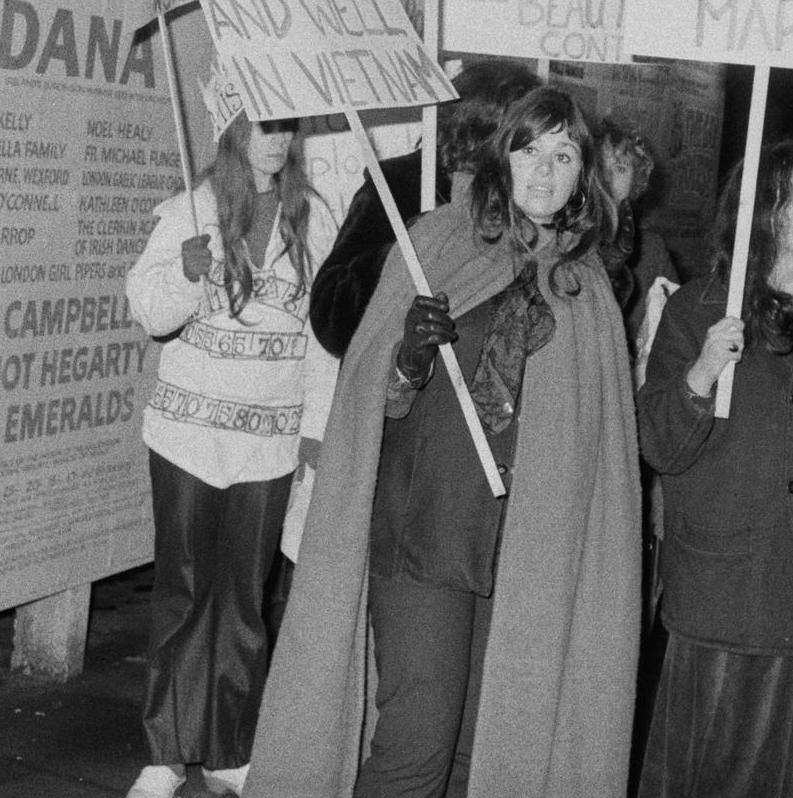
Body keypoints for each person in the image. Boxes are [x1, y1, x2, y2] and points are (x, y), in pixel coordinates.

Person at [249, 86, 641, 798]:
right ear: (503, 155)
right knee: (415, 750)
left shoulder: (586, 287)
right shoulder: (439, 242)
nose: (546, 172)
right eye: (530, 150)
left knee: (476, 756)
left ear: (583, 172)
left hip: (525, 557)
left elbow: (598, 454)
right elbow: (375, 401)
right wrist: (408, 359)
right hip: (424, 534)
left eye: (565, 155)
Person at [122, 117, 338, 798]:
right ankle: (164, 752)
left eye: (286, 129)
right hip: (188, 435)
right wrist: (186, 276)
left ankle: (227, 748)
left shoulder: (315, 219)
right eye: (262, 127)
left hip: (268, 441)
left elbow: (324, 335)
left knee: (243, 601)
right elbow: (149, 311)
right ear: (233, 129)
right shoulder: (189, 209)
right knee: (183, 592)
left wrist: (316, 427)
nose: (275, 141)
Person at [636, 135, 793, 798]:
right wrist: (700, 374)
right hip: (723, 600)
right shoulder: (697, 309)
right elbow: (659, 446)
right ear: (763, 212)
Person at [308, 59, 540, 358]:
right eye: (526, 142)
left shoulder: (533, 199)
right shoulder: (398, 185)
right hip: (407, 391)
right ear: (482, 133)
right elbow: (330, 319)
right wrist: (401, 253)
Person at [598, 117, 677, 347]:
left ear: (636, 181)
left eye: (620, 167)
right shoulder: (565, 242)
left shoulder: (651, 251)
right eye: (601, 166)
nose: (607, 178)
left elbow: (674, 330)